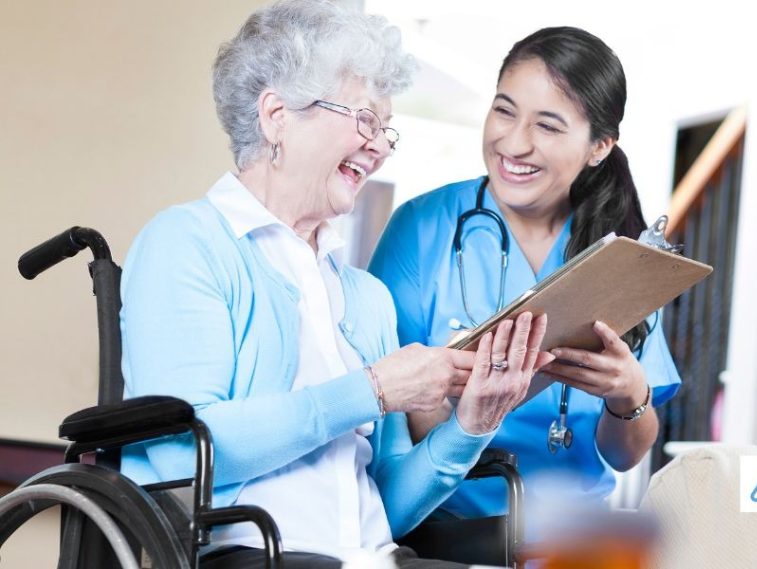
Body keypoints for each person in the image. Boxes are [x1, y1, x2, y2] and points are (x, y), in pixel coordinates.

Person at [119, 1, 550, 567]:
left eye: (386, 130)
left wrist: (472, 422)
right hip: (253, 553)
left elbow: (388, 508)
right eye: (365, 119)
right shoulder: (188, 241)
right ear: (277, 115)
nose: (379, 145)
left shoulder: (365, 298)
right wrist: (370, 389)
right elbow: (183, 454)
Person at [368, 27, 682, 526]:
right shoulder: (421, 227)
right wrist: (462, 400)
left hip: (572, 538)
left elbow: (625, 456)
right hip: (442, 533)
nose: (513, 143)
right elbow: (390, 412)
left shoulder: (622, 256)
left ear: (599, 146)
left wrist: (629, 394)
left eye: (548, 126)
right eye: (504, 110)